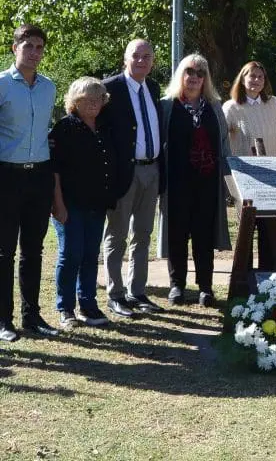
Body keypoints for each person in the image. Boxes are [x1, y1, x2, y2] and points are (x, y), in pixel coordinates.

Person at [157, 54, 232, 307]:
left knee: (204, 235)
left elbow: (224, 145)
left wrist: (228, 180)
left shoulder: (214, 107)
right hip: (176, 183)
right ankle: (177, 285)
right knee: (177, 235)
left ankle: (205, 287)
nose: (194, 78)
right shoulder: (167, 106)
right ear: (181, 74)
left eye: (201, 73)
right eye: (190, 72)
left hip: (207, 184)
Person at [0, 24, 59, 341]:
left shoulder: (49, 87)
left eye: (40, 47)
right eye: (29, 46)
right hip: (6, 175)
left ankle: (32, 317)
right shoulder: (2, 85)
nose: (35, 52)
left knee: (33, 251)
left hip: (39, 174)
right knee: (3, 252)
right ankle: (3, 321)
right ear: (15, 48)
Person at [100, 39, 165, 319]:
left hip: (152, 170)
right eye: (135, 56)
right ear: (125, 58)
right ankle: (115, 294)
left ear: (153, 61)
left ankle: (137, 292)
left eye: (146, 56)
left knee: (143, 234)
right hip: (124, 172)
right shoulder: (110, 88)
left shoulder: (152, 87)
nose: (141, 61)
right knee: (116, 234)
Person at [49, 78, 117, 329]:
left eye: (97, 98)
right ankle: (65, 309)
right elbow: (54, 171)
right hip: (70, 204)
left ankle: (88, 304)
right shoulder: (64, 128)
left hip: (96, 204)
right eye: (86, 99)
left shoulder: (104, 127)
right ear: (75, 101)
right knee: (71, 254)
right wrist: (58, 205)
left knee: (90, 254)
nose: (92, 104)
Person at [223, 60, 276, 270]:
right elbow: (224, 143)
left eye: (260, 77)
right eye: (252, 76)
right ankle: (243, 276)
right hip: (245, 179)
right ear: (243, 78)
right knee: (246, 229)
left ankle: (268, 278)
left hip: (272, 177)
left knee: (269, 230)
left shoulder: (274, 104)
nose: (256, 80)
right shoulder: (231, 107)